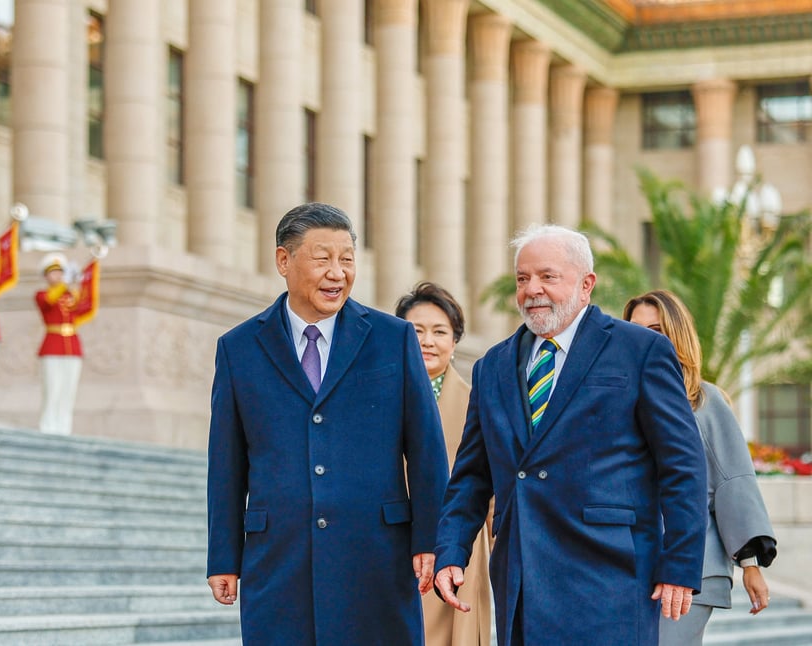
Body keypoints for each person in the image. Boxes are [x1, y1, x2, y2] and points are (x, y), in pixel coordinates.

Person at [433, 224, 708, 646]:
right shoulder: (492, 366)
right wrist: (452, 552)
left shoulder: (640, 351)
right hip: (522, 578)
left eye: (548, 276)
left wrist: (681, 564)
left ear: (587, 284)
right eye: (522, 279)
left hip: (611, 578)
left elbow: (683, 465)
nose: (532, 289)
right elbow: (472, 474)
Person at [206, 202, 450, 645]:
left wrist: (432, 539)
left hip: (377, 556)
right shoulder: (238, 348)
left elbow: (427, 449)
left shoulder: (392, 339)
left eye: (347, 259)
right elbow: (226, 463)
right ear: (284, 260)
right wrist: (223, 556)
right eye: (322, 259)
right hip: (278, 561)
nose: (337, 273)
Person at [623, 289, 777, 645]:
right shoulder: (621, 402)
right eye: (636, 329)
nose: (645, 338)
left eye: (657, 329)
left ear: (677, 335)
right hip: (632, 566)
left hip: (694, 567)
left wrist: (750, 565)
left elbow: (733, 483)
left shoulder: (705, 401)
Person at [395, 282, 493, 646]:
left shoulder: (476, 402)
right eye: (416, 331)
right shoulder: (376, 400)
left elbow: (492, 486)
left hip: (456, 551)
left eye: (440, 332)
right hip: (394, 546)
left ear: (454, 342)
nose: (428, 341)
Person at [36, 253, 95, 435]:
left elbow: (87, 305)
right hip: (53, 346)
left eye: (60, 272)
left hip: (72, 347)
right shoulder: (42, 294)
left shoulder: (72, 296)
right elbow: (48, 302)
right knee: (52, 389)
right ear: (46, 276)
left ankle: (64, 427)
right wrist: (65, 284)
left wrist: (92, 271)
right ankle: (48, 426)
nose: (58, 276)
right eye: (53, 273)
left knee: (68, 391)